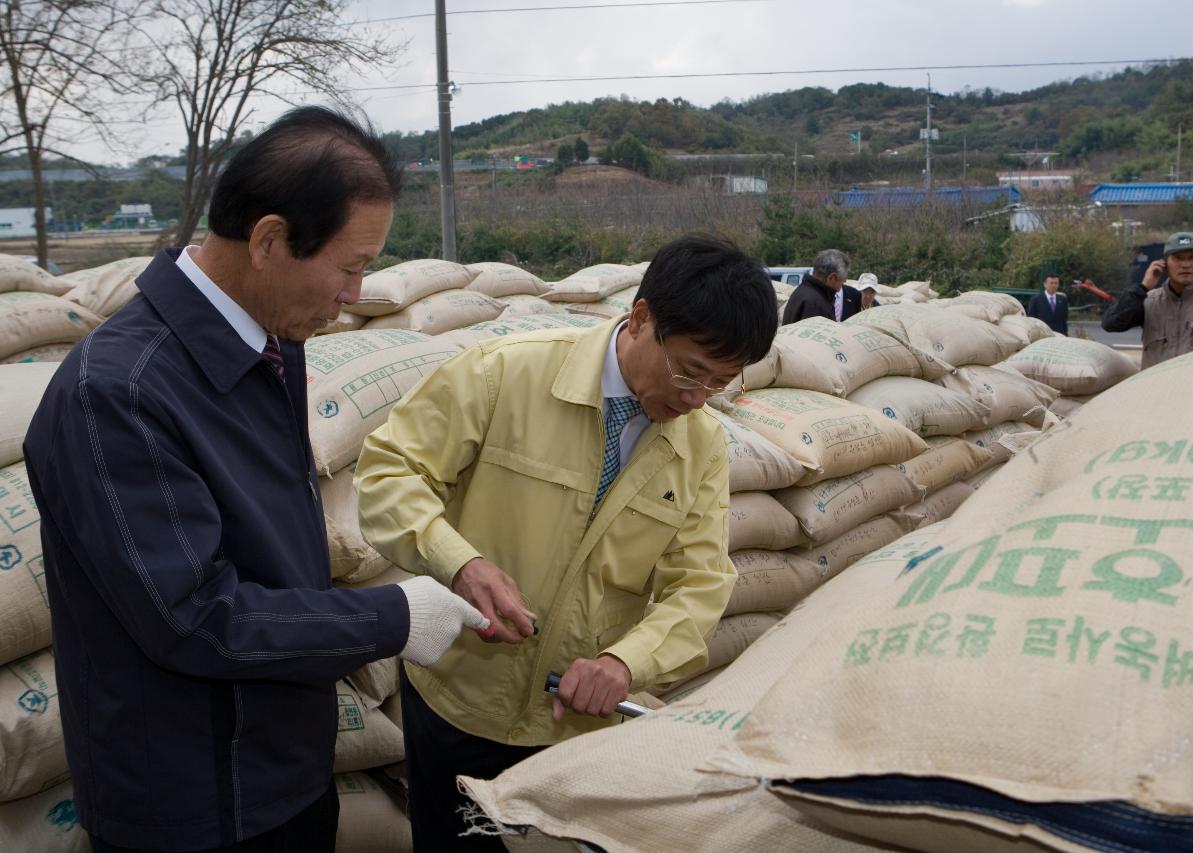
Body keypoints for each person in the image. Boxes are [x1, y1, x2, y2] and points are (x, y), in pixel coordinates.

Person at [22, 106, 488, 853]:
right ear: (269, 239)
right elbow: (195, 616)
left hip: (285, 772)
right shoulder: (118, 394)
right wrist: (391, 618)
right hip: (191, 805)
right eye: (350, 265)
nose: (354, 292)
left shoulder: (267, 343)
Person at [355, 235, 778, 850]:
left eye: (718, 382)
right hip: (460, 701)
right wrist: (460, 563)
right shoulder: (507, 374)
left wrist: (625, 664)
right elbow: (388, 473)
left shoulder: (701, 446)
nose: (694, 397)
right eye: (688, 370)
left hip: (574, 728)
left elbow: (702, 583)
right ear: (640, 319)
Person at [1101, 231, 1193, 369]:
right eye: (1178, 258)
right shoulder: (1148, 300)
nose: (1185, 264)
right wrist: (1142, 287)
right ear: (1164, 264)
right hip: (1155, 387)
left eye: (1192, 257)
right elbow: (1111, 324)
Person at [781, 248, 857, 324]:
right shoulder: (816, 304)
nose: (844, 283)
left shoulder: (803, 291)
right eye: (842, 281)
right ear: (832, 278)